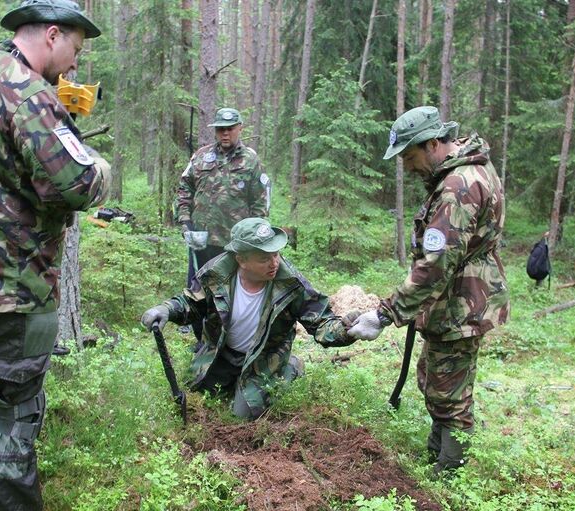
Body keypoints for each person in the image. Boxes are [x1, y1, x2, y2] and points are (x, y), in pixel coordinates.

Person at [0, 1, 111, 508]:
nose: (74, 64)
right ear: (52, 35)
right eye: (75, 48)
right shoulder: (27, 92)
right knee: (13, 418)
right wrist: (97, 163)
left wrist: (62, 122)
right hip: (8, 287)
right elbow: (76, 185)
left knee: (0, 402)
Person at [348, 106, 509, 475]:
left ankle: (449, 472)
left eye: (409, 156)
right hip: (458, 300)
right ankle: (438, 453)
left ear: (434, 143)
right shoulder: (471, 167)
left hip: (460, 303)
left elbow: (436, 266)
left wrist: (384, 314)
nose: (406, 166)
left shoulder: (456, 187)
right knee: (437, 379)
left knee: (449, 392)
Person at [141, 218, 361, 420]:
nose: (274, 263)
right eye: (265, 258)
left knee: (243, 415)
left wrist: (346, 329)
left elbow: (321, 321)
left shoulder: (291, 284)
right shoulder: (216, 274)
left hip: (264, 359)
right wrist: (166, 309)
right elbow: (191, 302)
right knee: (199, 389)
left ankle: (291, 367)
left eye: (276, 254)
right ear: (241, 260)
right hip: (222, 355)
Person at [174, 108, 271, 343]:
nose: (225, 134)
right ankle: (201, 340)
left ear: (239, 128)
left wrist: (256, 238)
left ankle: (230, 342)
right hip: (201, 240)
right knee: (198, 291)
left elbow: (260, 201)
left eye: (229, 129)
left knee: (232, 294)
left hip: (235, 245)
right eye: (220, 129)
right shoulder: (200, 157)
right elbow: (184, 188)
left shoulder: (251, 160)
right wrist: (186, 222)